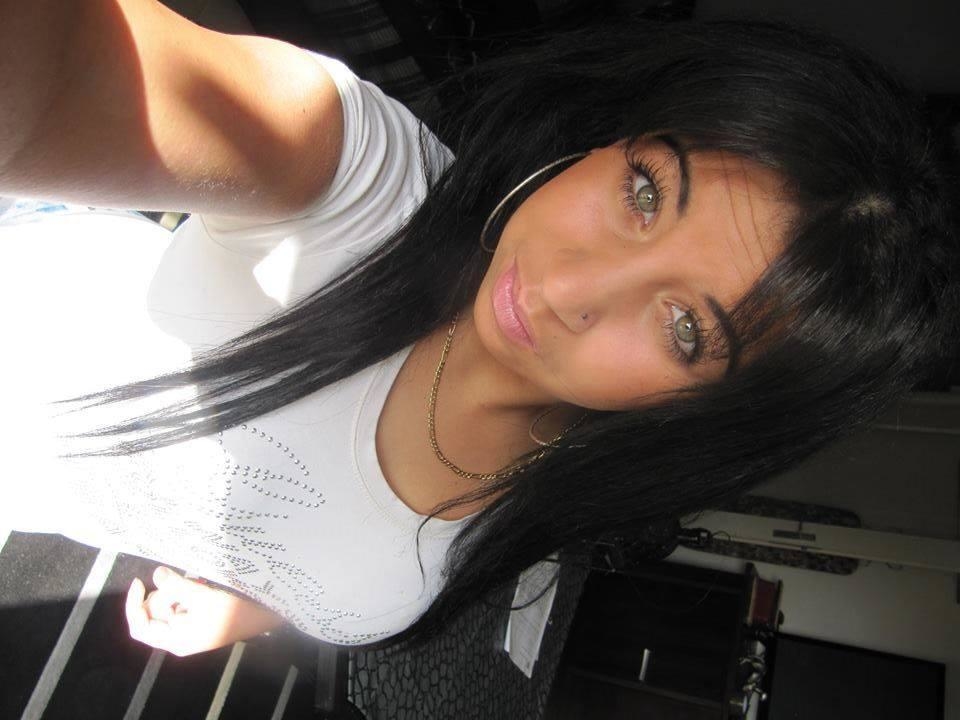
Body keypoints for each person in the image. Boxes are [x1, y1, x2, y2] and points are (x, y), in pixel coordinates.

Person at [1, 0, 957, 658]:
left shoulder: (554, 492)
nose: (571, 284)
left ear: (720, 408)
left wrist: (242, 602)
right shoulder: (363, 183)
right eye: (643, 192)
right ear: (610, 138)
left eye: (684, 327)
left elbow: (340, 551)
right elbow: (71, 67)